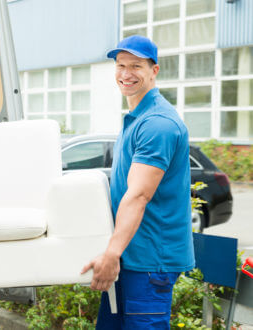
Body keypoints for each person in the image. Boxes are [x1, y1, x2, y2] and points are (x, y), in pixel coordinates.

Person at [80, 35, 195, 329]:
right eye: (120, 65)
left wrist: (111, 253)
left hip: (148, 261)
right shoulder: (137, 118)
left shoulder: (158, 124)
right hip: (131, 257)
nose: (126, 74)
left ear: (154, 70)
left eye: (136, 66)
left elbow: (139, 195)